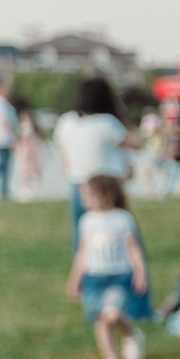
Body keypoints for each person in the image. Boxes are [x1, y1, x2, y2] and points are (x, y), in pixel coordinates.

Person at [68, 175, 151, 359]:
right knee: (101, 319)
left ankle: (132, 335)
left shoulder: (123, 219)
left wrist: (140, 272)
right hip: (94, 278)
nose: (84, 200)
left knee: (112, 314)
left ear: (107, 195)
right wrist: (75, 278)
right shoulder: (87, 221)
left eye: (89, 195)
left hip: (118, 276)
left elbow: (134, 249)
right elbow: (82, 252)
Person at [51, 77, 130, 252]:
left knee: (81, 232)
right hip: (107, 184)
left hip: (78, 183)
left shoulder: (67, 121)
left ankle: (82, 266)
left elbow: (63, 154)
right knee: (116, 229)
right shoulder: (108, 122)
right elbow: (136, 143)